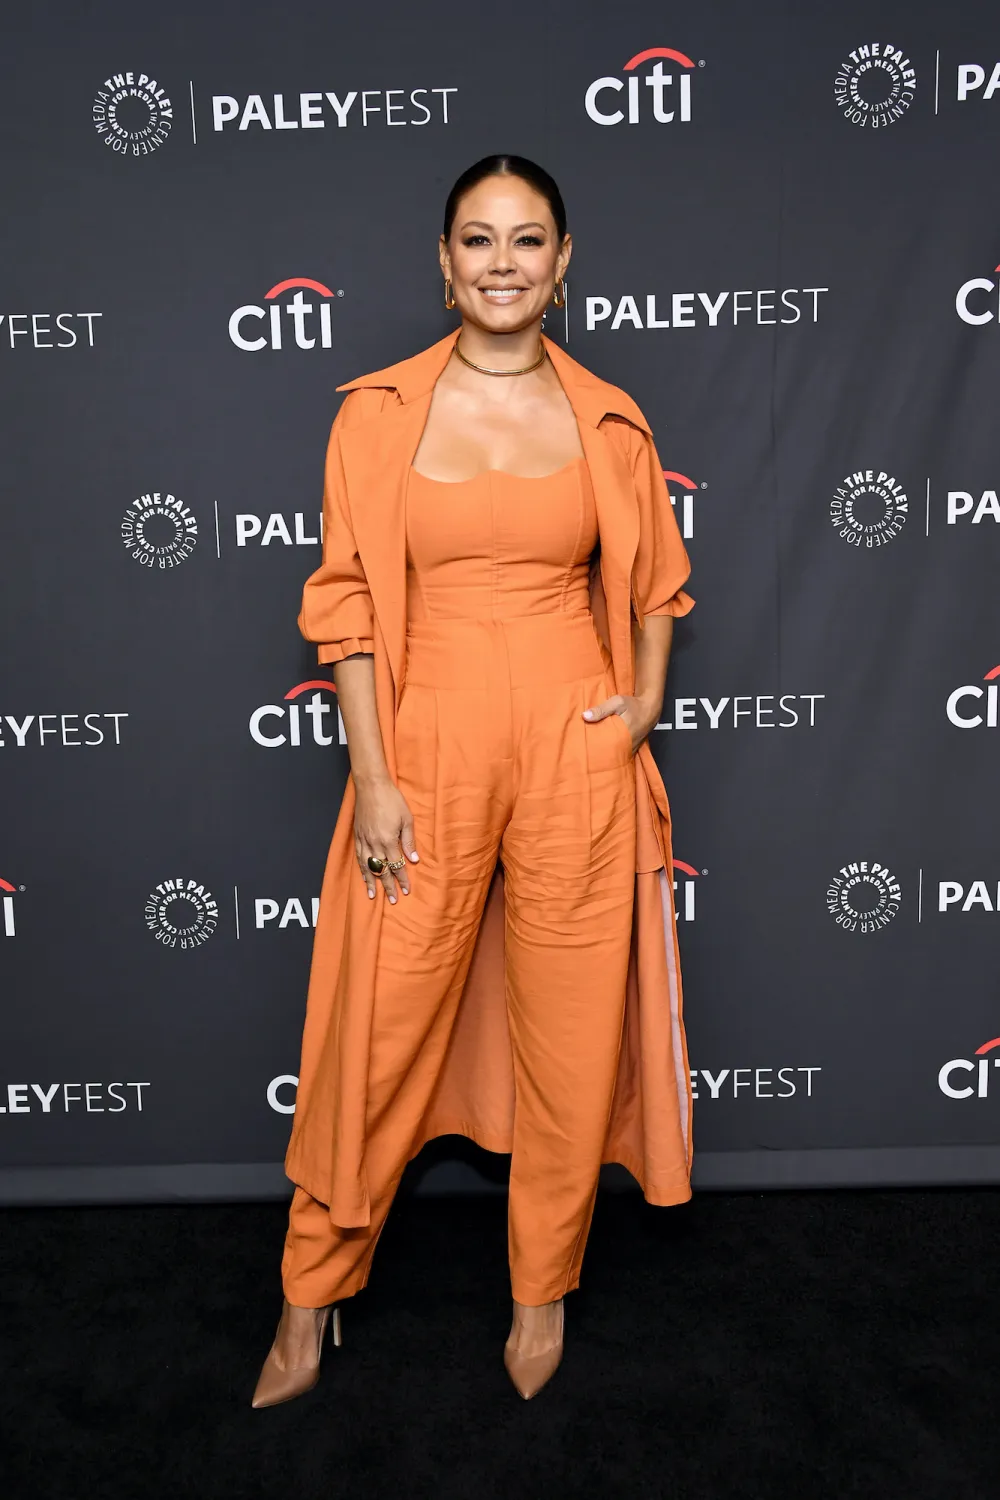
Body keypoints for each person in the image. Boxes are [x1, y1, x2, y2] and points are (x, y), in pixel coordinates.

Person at [252, 154, 695, 1407]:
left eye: (528, 239)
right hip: (425, 751)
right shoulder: (377, 414)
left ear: (564, 262)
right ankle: (308, 1297)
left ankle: (539, 1292)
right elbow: (346, 609)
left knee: (569, 1035)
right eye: (479, 239)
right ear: (442, 263)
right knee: (377, 1035)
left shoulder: (609, 416)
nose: (504, 263)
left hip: (575, 749)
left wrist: (640, 707)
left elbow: (657, 583)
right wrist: (374, 777)